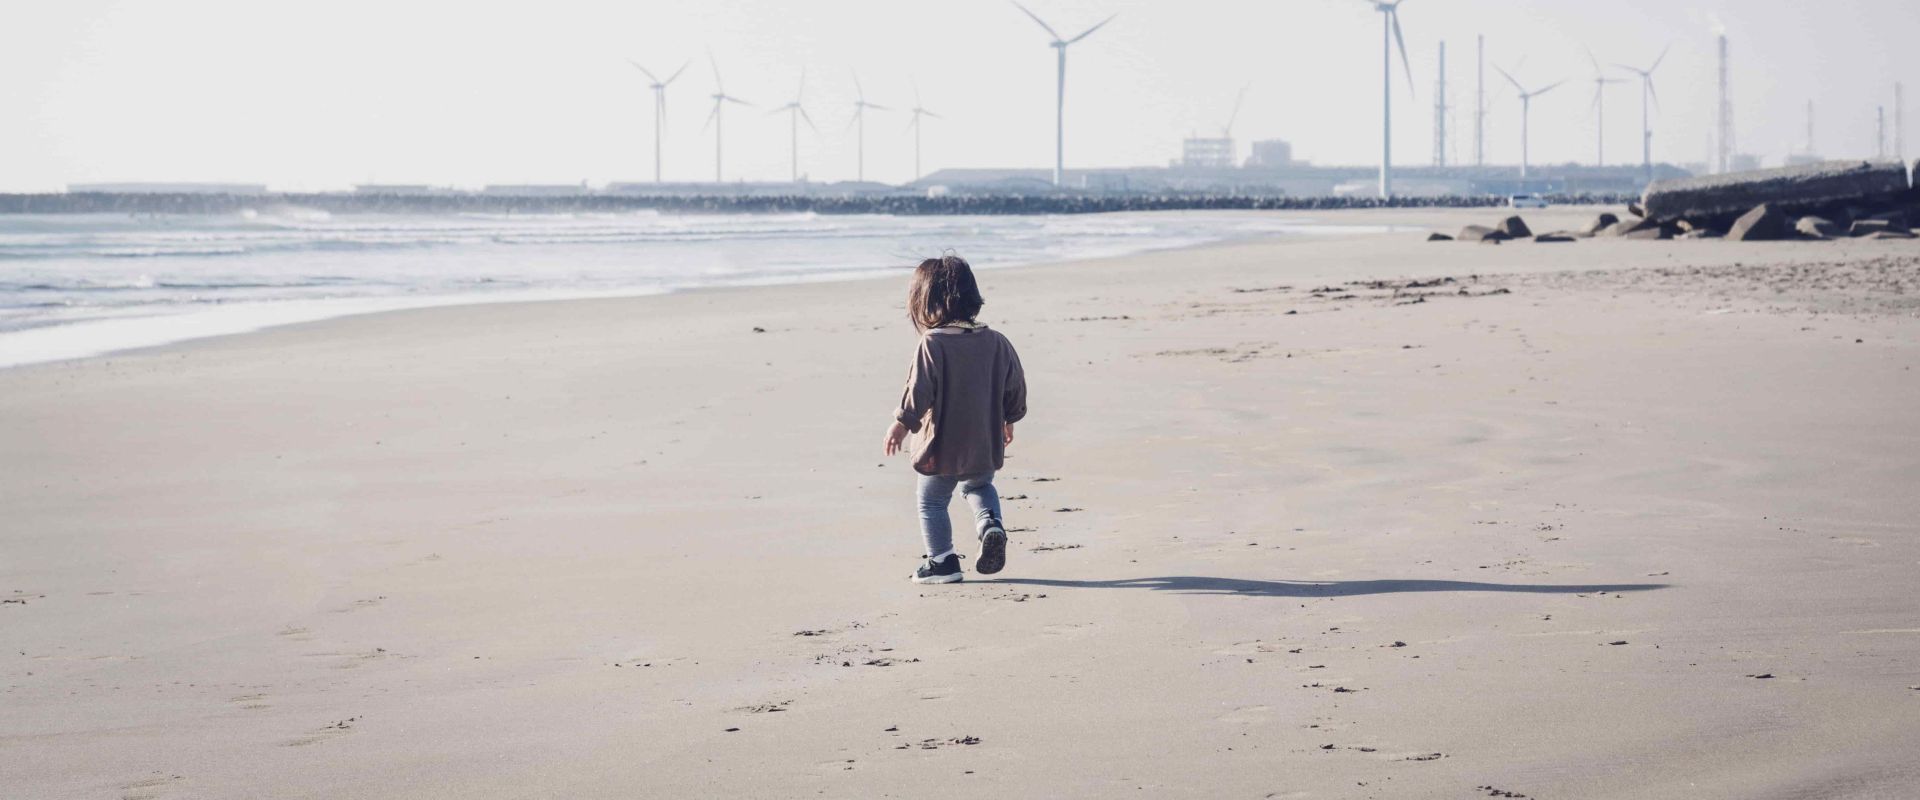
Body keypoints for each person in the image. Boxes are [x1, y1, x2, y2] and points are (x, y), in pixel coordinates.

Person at [882, 255, 1027, 584]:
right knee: (979, 485)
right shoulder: (996, 342)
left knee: (931, 500)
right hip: (983, 441)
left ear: (925, 302)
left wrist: (901, 423)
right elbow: (1014, 385)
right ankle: (989, 523)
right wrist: (1009, 419)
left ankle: (942, 561)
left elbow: (918, 391)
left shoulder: (932, 344)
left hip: (942, 447)